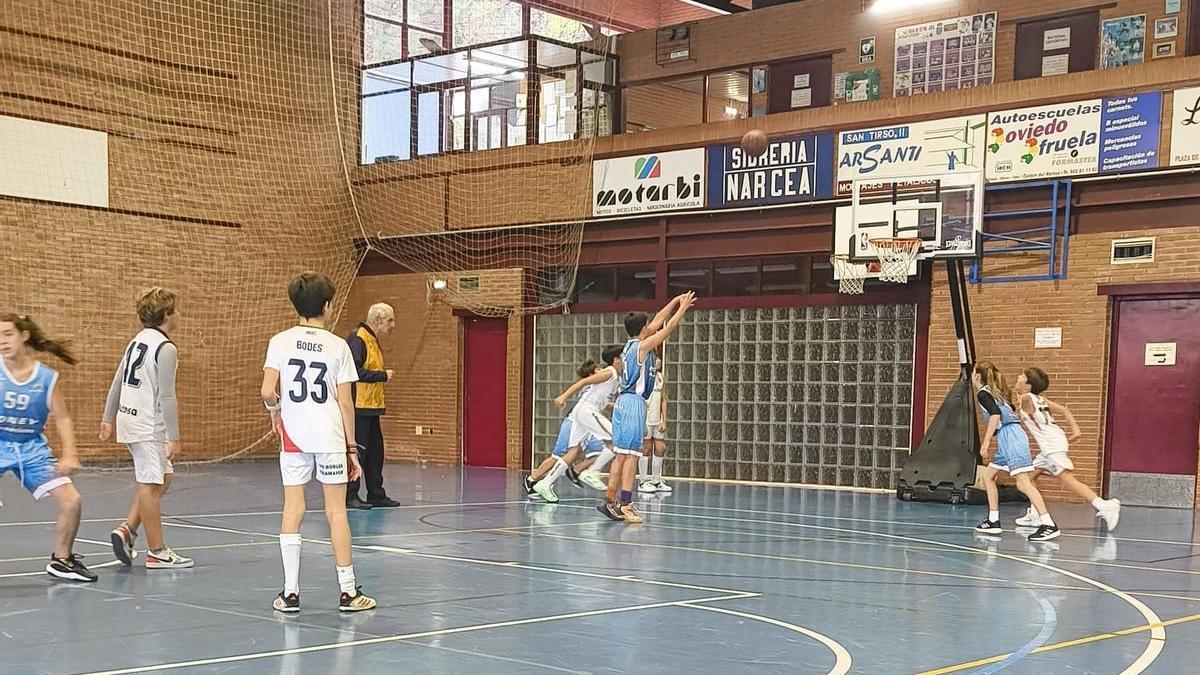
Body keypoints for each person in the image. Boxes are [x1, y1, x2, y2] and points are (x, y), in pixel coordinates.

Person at [262, 272, 376, 613]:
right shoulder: (338, 346)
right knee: (336, 512)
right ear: (327, 306)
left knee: (293, 509)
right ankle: (348, 592)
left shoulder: (280, 341)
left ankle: (290, 593)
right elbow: (346, 403)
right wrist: (352, 448)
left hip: (294, 437)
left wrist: (275, 411)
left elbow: (267, 391)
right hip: (329, 436)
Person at [0, 314, 96, 582]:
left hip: (31, 449)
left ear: (24, 335)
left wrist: (70, 453)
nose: (2, 341)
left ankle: (62, 560)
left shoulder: (46, 377)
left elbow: (62, 417)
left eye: (7, 334)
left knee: (72, 501)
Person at [102, 288, 192, 569]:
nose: (180, 314)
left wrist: (108, 417)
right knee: (150, 486)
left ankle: (127, 529)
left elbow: (117, 381)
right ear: (166, 315)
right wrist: (174, 437)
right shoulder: (165, 348)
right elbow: (166, 395)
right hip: (147, 425)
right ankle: (157, 551)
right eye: (176, 310)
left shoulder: (137, 341)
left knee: (163, 478)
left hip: (130, 419)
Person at [599, 292, 695, 524]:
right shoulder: (642, 347)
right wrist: (683, 309)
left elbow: (659, 319)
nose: (652, 326)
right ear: (643, 329)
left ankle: (610, 501)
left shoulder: (630, 345)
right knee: (632, 456)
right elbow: (667, 327)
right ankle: (626, 504)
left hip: (623, 403)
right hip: (633, 403)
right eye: (648, 325)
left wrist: (675, 301)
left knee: (622, 455)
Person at [1014, 367, 1121, 530]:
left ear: (1028, 385)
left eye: (1022, 376)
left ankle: (1104, 505)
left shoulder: (1026, 398)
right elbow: (1064, 410)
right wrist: (1075, 429)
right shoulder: (1040, 399)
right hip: (1051, 444)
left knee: (1068, 480)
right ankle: (1035, 514)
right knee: (1027, 478)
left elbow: (1015, 407)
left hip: (1052, 446)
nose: (1018, 377)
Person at [971, 362, 1059, 542]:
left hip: (1011, 438)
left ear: (977, 376)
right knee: (988, 476)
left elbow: (995, 415)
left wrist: (986, 442)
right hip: (1008, 438)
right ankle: (993, 520)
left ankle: (1048, 524)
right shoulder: (996, 393)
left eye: (973, 373)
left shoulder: (983, 394)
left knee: (1023, 483)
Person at [542, 346, 623, 503]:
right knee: (617, 440)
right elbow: (584, 381)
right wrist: (564, 396)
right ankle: (592, 471)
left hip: (582, 412)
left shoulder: (616, 377)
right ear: (616, 360)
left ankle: (545, 483)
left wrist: (620, 407)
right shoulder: (609, 372)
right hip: (586, 411)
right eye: (623, 356)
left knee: (573, 452)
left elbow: (604, 402)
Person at [344, 302, 398, 510]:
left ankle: (376, 493)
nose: (393, 325)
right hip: (359, 407)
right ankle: (350, 494)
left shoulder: (372, 339)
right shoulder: (358, 338)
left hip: (372, 406)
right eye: (389, 320)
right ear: (377, 320)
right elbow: (353, 371)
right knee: (359, 451)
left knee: (376, 452)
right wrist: (381, 376)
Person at [638, 352, 670, 494]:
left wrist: (664, 420)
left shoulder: (661, 377)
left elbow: (664, 398)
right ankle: (643, 481)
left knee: (660, 447)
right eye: (655, 360)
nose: (658, 362)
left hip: (657, 419)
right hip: (645, 418)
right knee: (645, 448)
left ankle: (656, 480)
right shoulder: (642, 377)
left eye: (659, 360)